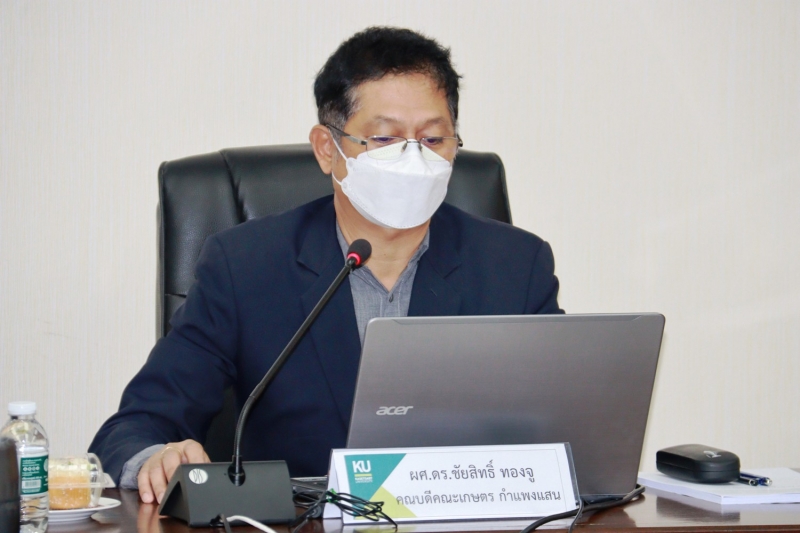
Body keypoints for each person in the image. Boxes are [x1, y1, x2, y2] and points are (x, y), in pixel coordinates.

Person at [89, 26, 563, 505]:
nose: (413, 158)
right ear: (326, 149)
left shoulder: (516, 266)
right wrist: (155, 458)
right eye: (385, 138)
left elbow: (567, 431)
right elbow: (137, 426)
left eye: (433, 138)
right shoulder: (246, 266)